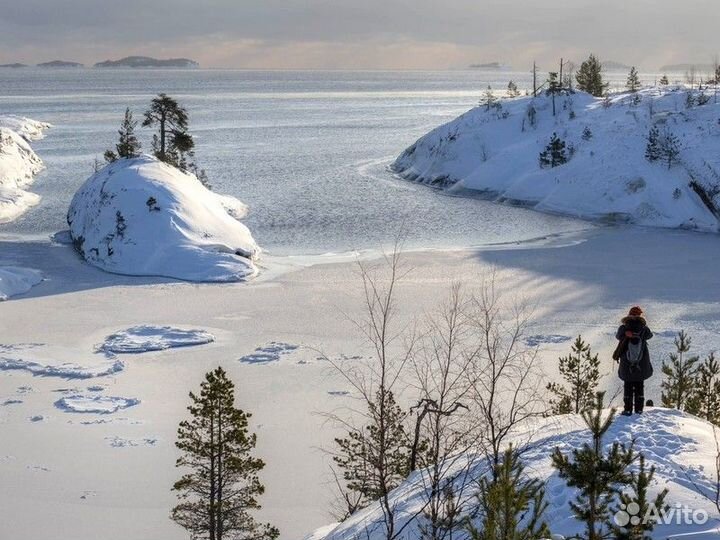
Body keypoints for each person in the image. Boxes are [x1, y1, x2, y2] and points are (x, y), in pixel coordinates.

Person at [615, 306, 654, 415]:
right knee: (639, 385)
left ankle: (627, 409)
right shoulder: (644, 328)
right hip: (641, 363)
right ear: (640, 315)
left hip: (626, 363)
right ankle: (639, 409)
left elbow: (618, 336)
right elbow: (649, 335)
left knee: (627, 385)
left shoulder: (624, 328)